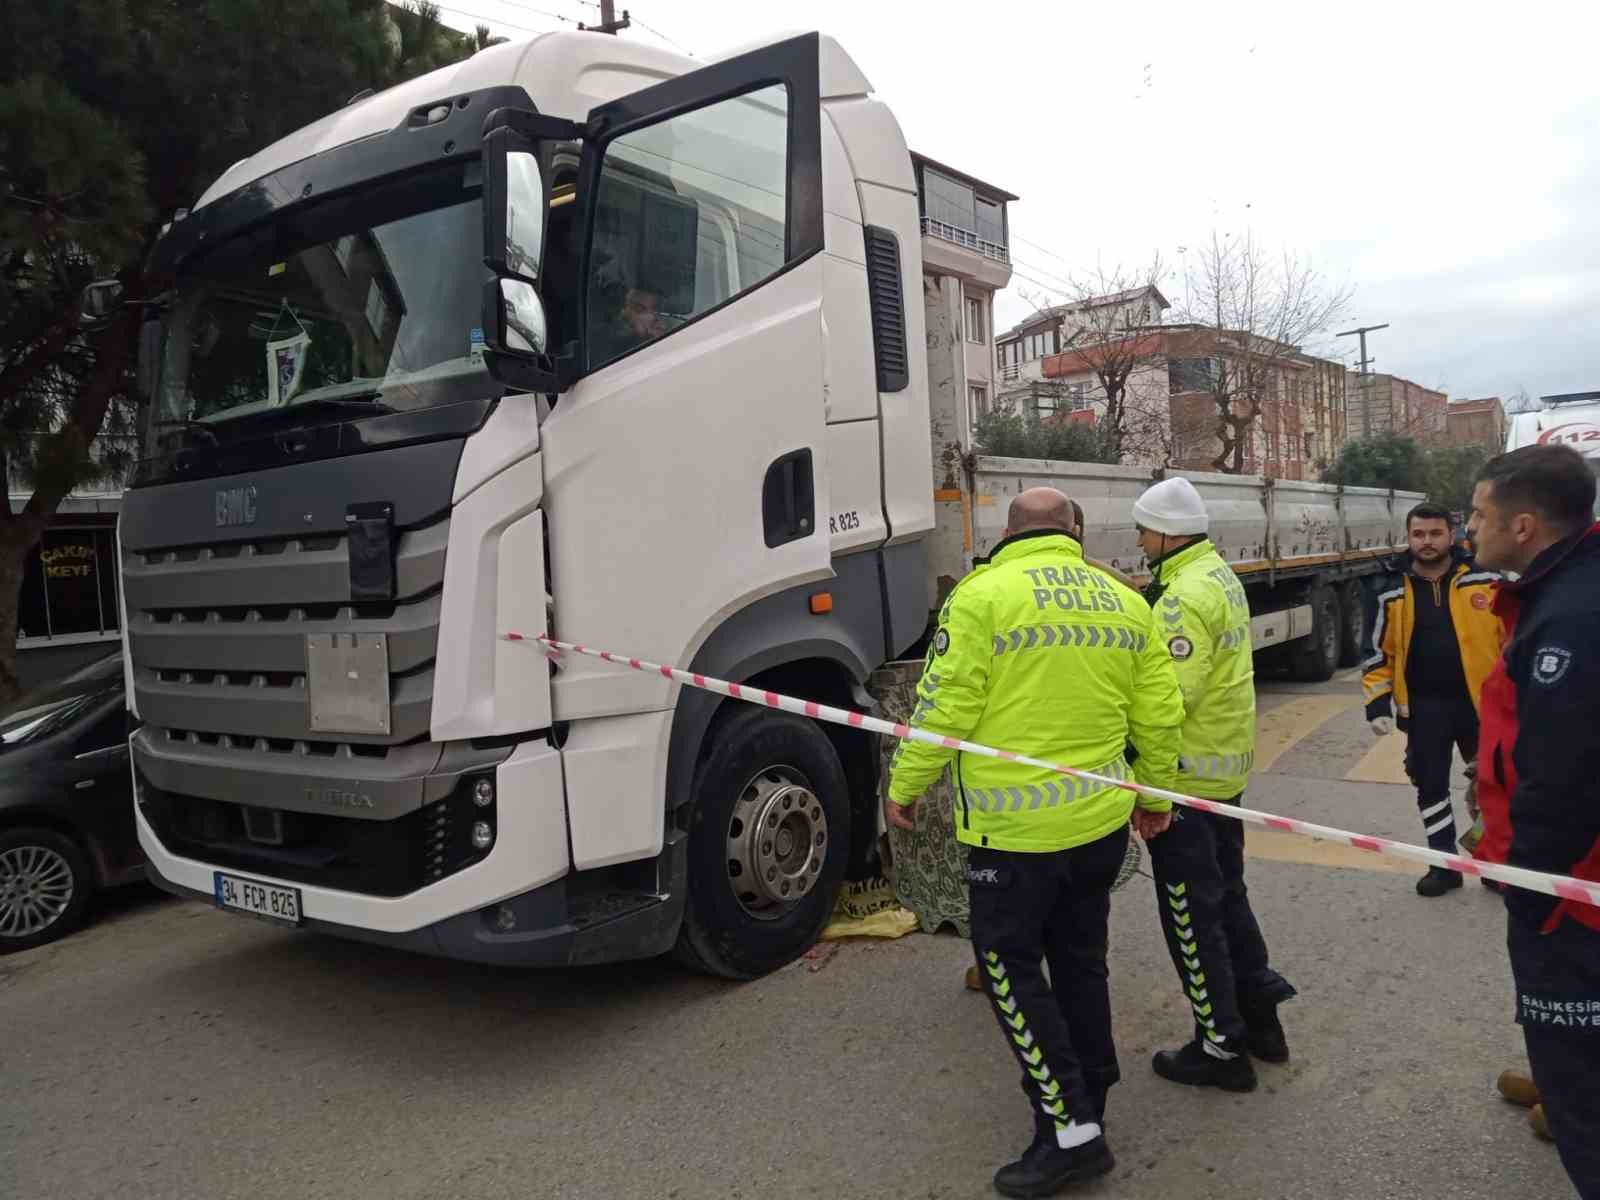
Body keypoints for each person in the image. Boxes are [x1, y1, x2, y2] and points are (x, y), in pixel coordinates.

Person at [886, 486, 1183, 1197]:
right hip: (1100, 826)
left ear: (1006, 531)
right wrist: (1156, 796)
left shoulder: (983, 596)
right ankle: (1094, 1082)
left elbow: (945, 704)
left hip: (1013, 834)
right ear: (1073, 531)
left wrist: (904, 783)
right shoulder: (1123, 599)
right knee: (1081, 959)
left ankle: (1070, 1130)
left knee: (1010, 971)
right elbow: (1160, 712)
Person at [1129, 477, 1296, 1092]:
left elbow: (1167, 701)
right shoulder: (1217, 576)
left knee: (1191, 913)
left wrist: (1151, 791)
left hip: (1187, 780)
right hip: (1224, 772)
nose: (1140, 541)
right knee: (1228, 897)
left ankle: (1221, 1049)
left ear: (1167, 534)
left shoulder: (1180, 599)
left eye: (1144, 530)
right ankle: (1261, 1022)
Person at [1465, 443, 1600, 1200]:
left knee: (1583, 1086)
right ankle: (1557, 1072)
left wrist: (1534, 892)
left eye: (1478, 516)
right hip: (1570, 878)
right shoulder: (1564, 588)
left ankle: (1568, 1082)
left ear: (1522, 526)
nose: (1467, 529)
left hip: (1572, 888)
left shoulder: (1574, 617)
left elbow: (1564, 779)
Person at [1362, 502, 1501, 896]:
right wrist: (1377, 704)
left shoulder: (1486, 580)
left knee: (1493, 788)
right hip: (1424, 709)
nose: (1426, 542)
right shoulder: (1389, 588)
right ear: (1408, 537)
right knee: (1430, 786)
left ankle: (1494, 864)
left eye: (1435, 533)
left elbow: (1512, 642)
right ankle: (1444, 865)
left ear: (1452, 535)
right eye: (1418, 534)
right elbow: (1376, 654)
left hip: (1482, 707)